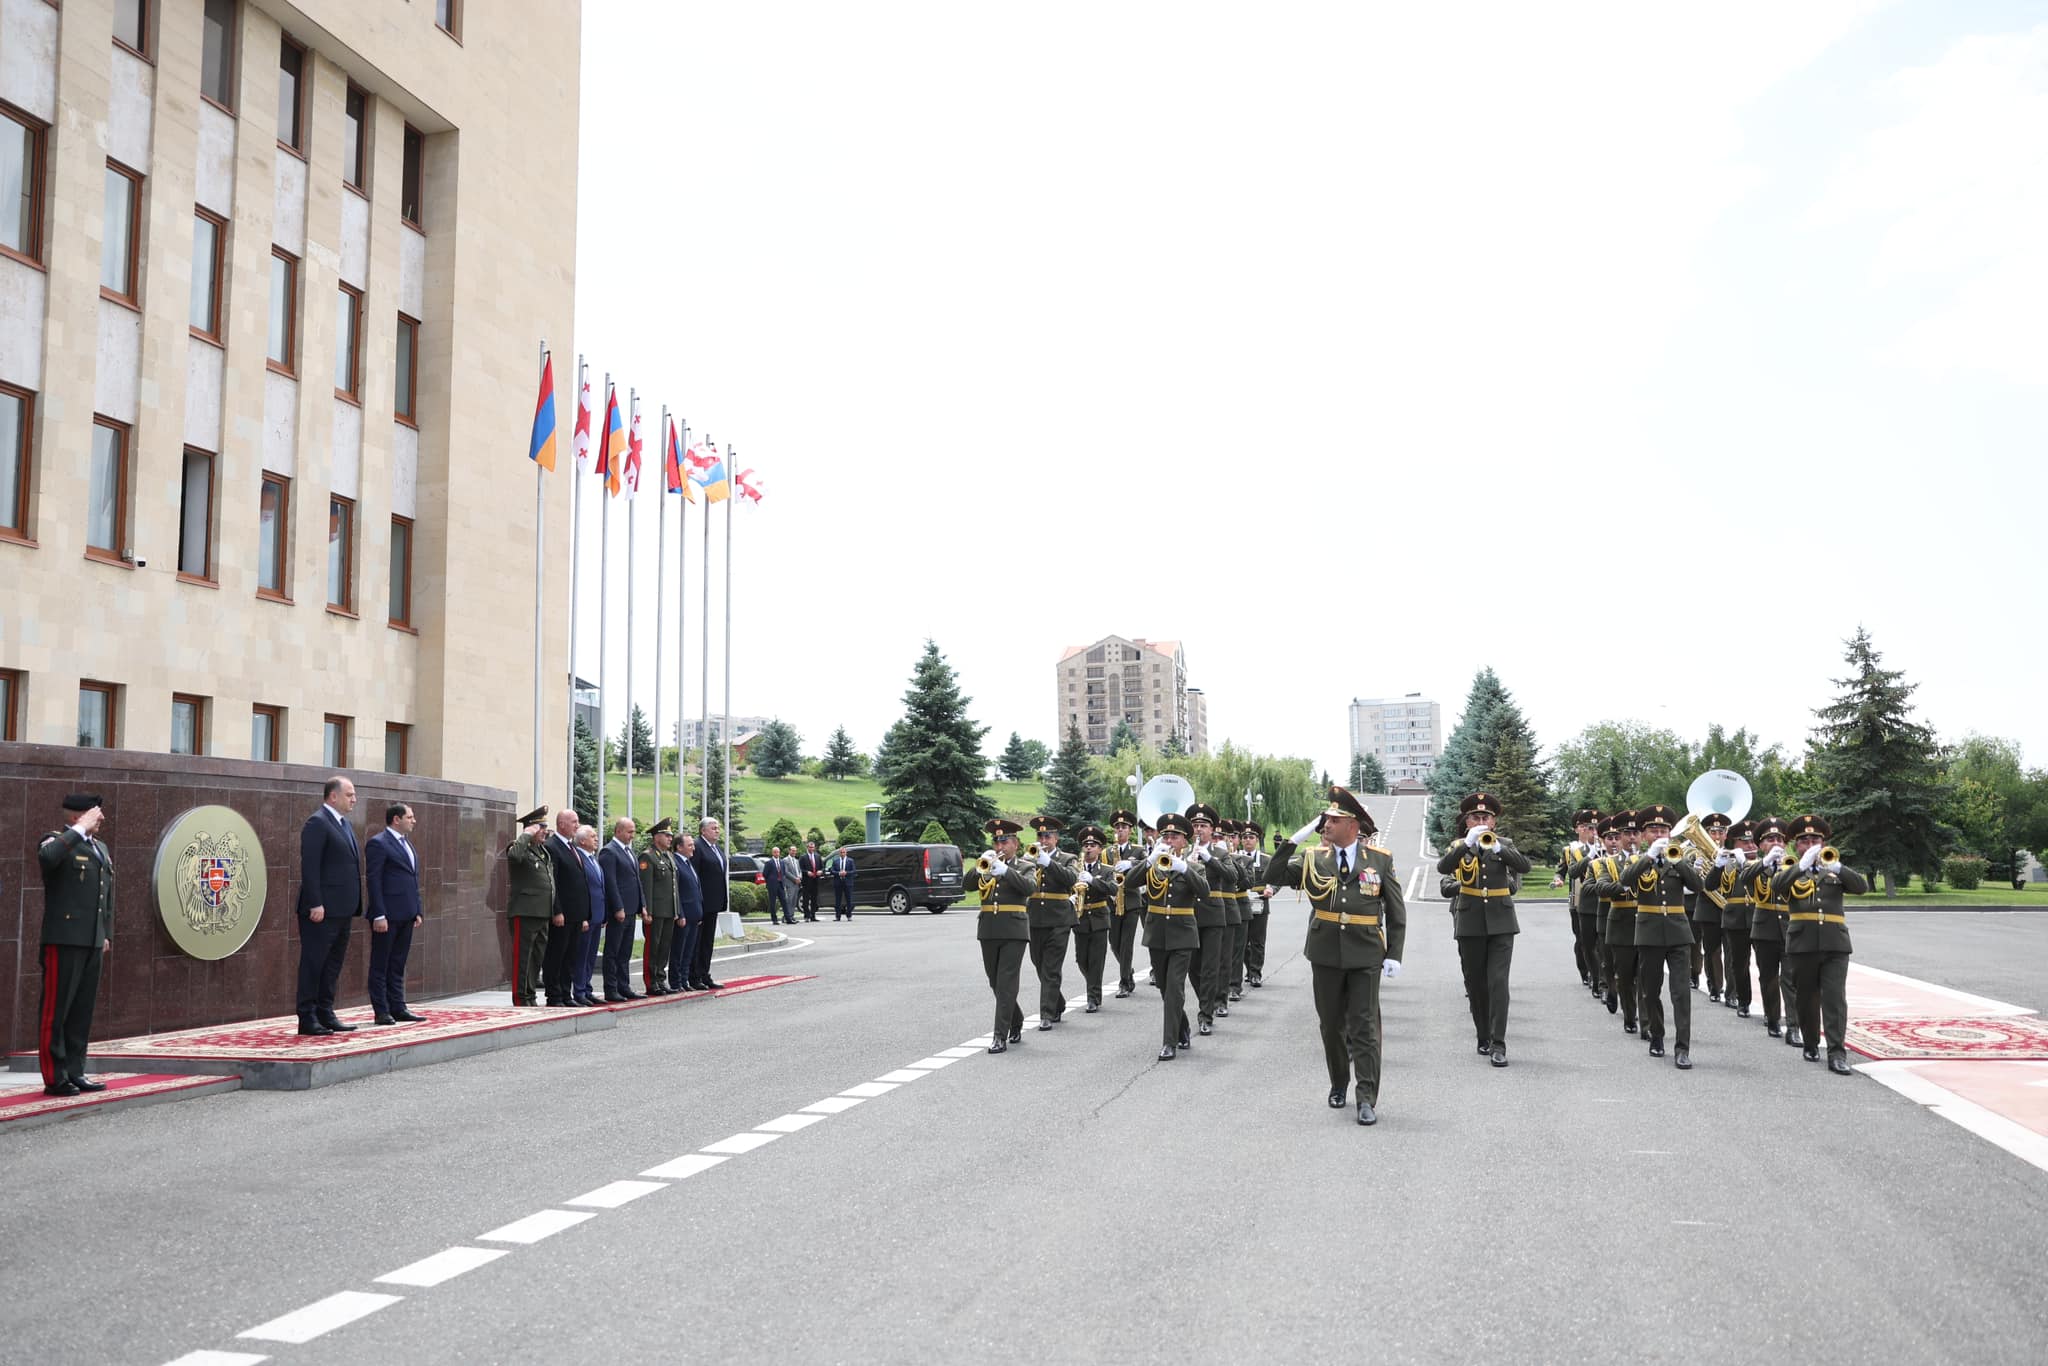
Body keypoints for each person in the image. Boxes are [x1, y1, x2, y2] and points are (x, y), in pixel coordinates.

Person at [1265, 786, 1407, 1126]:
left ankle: (1366, 1097)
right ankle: (1339, 1082)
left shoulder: (1380, 860)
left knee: (1364, 1026)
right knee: (1331, 1025)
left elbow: (1396, 910)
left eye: (1333, 819)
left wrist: (1394, 953)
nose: (1325, 824)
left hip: (1366, 953)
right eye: (1325, 819)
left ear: (1353, 826)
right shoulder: (1314, 858)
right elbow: (1271, 876)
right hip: (1326, 953)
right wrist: (1292, 842)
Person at [1437, 792, 1530, 1067]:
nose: (1481, 821)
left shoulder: (1505, 844)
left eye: (1485, 817)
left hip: (1501, 922)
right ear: (1467, 822)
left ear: (1494, 822)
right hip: (1470, 921)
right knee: (1476, 984)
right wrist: (1466, 845)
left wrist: (1500, 849)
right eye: (1475, 817)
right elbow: (1443, 869)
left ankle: (1499, 1043)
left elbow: (1524, 866)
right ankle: (1483, 1035)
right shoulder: (1458, 846)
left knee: (1498, 983)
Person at [1774, 814, 1868, 1074]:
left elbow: (1861, 887)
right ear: (1796, 845)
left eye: (1815, 839)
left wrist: (1838, 868)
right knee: (1806, 997)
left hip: (1835, 943)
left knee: (1835, 998)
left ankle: (1837, 1053)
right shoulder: (1790, 870)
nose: (1811, 844)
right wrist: (1800, 867)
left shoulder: (1834, 867)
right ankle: (1811, 1042)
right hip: (1802, 942)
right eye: (1804, 841)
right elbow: (1776, 888)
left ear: (1824, 842)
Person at [36, 795, 115, 1096]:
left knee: (81, 1011)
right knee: (56, 1011)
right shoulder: (55, 840)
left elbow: (105, 896)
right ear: (77, 818)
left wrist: (105, 933)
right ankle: (54, 1077)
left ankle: (75, 1071)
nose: (101, 819)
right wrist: (79, 829)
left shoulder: (100, 849)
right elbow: (48, 858)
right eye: (95, 814)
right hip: (64, 939)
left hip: (92, 940)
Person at [1622, 803, 1703, 1069]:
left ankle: (1683, 1048)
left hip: (1679, 932)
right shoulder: (1637, 861)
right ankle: (1657, 1034)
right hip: (1649, 932)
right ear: (1645, 836)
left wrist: (1677, 861)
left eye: (1664, 830)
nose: (1659, 834)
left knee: (1681, 993)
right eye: (1653, 830)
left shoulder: (1680, 858)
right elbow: (1625, 880)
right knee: (1650, 990)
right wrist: (1648, 858)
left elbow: (1697, 885)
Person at [296, 776, 364, 1036]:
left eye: (354, 794)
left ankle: (325, 1012)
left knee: (332, 964)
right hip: (321, 911)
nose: (354, 799)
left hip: (342, 910)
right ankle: (307, 1017)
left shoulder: (343, 824)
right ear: (332, 796)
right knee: (314, 963)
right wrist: (315, 902)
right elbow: (310, 866)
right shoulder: (318, 822)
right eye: (349, 794)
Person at [1139, 812, 1208, 1061]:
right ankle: (1183, 1027)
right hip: (1157, 932)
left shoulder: (1195, 866)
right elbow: (1127, 884)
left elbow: (1204, 891)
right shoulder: (1154, 865)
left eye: (1175, 836)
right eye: (1165, 835)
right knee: (1164, 987)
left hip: (1182, 934)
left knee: (1175, 988)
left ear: (1185, 842)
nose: (1169, 839)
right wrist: (1149, 861)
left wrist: (1185, 868)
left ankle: (1169, 1043)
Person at [975, 818, 1037, 1053]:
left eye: (1005, 841)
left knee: (1006, 983)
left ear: (1016, 844)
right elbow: (968, 883)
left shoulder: (1024, 865)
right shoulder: (989, 864)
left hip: (1014, 930)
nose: (1000, 846)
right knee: (995, 982)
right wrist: (982, 863)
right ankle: (1016, 1018)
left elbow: (1030, 887)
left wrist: (1007, 872)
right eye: (996, 841)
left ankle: (999, 1036)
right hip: (989, 929)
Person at [365, 802, 426, 1024]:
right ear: (396, 819)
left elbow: (412, 879)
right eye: (410, 817)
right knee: (381, 964)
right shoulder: (378, 843)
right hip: (387, 916)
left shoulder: (407, 844)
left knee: (398, 964)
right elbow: (374, 880)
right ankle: (381, 1010)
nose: (414, 820)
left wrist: (417, 910)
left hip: (407, 914)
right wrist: (379, 914)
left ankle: (398, 1007)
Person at [1741, 817, 1797, 1043]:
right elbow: (1744, 879)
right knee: (1769, 978)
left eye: (1780, 839)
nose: (1776, 843)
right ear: (1760, 845)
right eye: (1770, 839)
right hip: (1764, 927)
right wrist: (1765, 864)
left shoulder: (1793, 865)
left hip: (1790, 927)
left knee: (1791, 978)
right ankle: (1773, 1018)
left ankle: (1794, 1026)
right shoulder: (1753, 866)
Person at [1023, 815, 1081, 1030]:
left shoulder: (1068, 858)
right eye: (1040, 835)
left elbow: (1071, 879)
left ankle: (1046, 1014)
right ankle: (1058, 1001)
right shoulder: (1029, 859)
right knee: (1038, 964)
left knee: (1051, 967)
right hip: (1035, 918)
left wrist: (1049, 863)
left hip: (1059, 919)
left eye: (1048, 836)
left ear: (1056, 838)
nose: (1043, 840)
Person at [1185, 803, 1236, 1036]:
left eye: (1203, 825)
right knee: (1193, 968)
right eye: (1195, 825)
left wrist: (1208, 858)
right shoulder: (1183, 853)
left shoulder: (1221, 853)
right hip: (1189, 916)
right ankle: (1207, 999)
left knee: (1209, 967)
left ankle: (1206, 1014)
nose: (1198, 829)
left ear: (1212, 829)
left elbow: (1232, 876)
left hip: (1214, 914)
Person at [1591, 811, 1643, 1034]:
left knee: (1646, 976)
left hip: (1648, 922)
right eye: (1627, 833)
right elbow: (1601, 888)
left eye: (1636, 833)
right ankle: (1630, 1015)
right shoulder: (1607, 863)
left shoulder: (1654, 857)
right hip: (1621, 923)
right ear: (1619, 836)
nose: (1632, 837)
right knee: (1625, 975)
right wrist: (1623, 884)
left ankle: (1648, 1020)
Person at [505, 806, 555, 1007]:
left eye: (545, 827)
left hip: (542, 912)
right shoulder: (518, 847)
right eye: (540, 827)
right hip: (525, 911)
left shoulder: (542, 851)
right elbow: (514, 857)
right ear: (530, 829)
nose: (544, 831)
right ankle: (520, 997)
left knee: (536, 957)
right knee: (522, 956)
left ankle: (530, 994)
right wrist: (526, 835)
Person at [543, 809, 592, 1007]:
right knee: (556, 955)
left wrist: (584, 915)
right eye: (574, 821)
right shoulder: (552, 846)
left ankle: (565, 993)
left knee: (570, 957)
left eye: (577, 821)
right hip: (562, 914)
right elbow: (552, 882)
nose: (577, 825)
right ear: (561, 824)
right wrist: (557, 910)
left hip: (576, 914)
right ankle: (554, 995)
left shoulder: (571, 848)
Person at [1553, 807, 1604, 993]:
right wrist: (1558, 878)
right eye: (1584, 826)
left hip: (1603, 899)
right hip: (1579, 899)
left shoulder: (1606, 848)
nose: (1589, 830)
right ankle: (1587, 972)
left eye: (1593, 827)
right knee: (1583, 939)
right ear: (1577, 829)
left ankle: (1599, 976)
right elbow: (1564, 870)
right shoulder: (1571, 850)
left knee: (1602, 942)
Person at [1713, 819, 1757, 1017]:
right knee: (1739, 963)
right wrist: (1717, 866)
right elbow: (1710, 884)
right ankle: (1743, 1000)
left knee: (1767, 966)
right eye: (1745, 843)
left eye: (1753, 842)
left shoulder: (1768, 862)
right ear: (1736, 844)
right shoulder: (1728, 863)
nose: (1750, 846)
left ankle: (1771, 1009)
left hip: (1760, 916)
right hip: (1736, 918)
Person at [1689, 812, 1732, 1002]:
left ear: (1725, 834)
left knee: (1732, 952)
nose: (1716, 835)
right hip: (1708, 907)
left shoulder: (1733, 854)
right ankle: (1715, 986)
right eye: (1712, 831)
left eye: (1720, 832)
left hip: (1730, 908)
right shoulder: (1695, 855)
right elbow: (1692, 882)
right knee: (1712, 949)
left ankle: (1733, 992)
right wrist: (1695, 870)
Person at [598, 817, 642, 1002]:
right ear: (618, 831)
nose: (632, 835)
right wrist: (618, 907)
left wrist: (642, 905)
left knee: (625, 951)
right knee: (613, 951)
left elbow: (636, 881)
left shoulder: (628, 851)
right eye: (629, 831)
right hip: (620, 910)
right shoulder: (609, 852)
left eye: (633, 831)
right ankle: (611, 988)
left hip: (631, 909)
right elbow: (611, 883)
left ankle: (624, 986)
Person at [1070, 824, 1114, 1011]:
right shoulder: (1076, 869)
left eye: (1093, 845)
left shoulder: (1106, 870)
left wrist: (1093, 881)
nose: (1089, 848)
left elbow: (1113, 889)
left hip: (1098, 918)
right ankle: (1093, 986)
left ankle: (1093, 997)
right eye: (1086, 845)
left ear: (1100, 849)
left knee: (1096, 960)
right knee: (1081, 959)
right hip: (1080, 918)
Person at [638, 818, 681, 994]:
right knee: (653, 947)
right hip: (655, 911)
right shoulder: (647, 856)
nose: (670, 838)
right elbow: (646, 886)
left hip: (668, 911)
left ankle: (661, 979)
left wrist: (676, 909)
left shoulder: (669, 856)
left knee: (664, 947)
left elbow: (673, 886)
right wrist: (646, 910)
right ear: (657, 837)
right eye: (666, 835)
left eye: (671, 835)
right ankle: (651, 982)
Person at [1106, 810, 1145, 997]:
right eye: (1117, 827)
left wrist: (1132, 864)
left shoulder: (1137, 850)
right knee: (1114, 942)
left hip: (1131, 901)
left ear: (1130, 830)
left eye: (1124, 827)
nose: (1120, 830)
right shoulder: (1107, 852)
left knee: (1126, 943)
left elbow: (1148, 864)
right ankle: (1127, 971)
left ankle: (1123, 982)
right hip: (1113, 901)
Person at [688, 818, 728, 990]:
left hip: (714, 904)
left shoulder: (716, 848)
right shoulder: (697, 847)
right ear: (703, 831)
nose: (717, 831)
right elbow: (694, 876)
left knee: (707, 942)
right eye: (713, 828)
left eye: (718, 828)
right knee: (697, 942)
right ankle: (694, 976)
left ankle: (705, 974)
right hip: (702, 903)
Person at [572, 826, 606, 1004]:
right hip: (586, 915)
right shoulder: (579, 859)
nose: (596, 839)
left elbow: (600, 887)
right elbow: (580, 890)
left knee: (591, 955)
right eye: (593, 836)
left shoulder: (593, 859)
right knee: (582, 955)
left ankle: (587, 988)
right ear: (582, 841)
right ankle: (579, 991)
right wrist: (583, 916)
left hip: (597, 914)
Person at [1219, 819, 1251, 1004]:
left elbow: (1247, 883)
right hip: (1215, 908)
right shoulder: (1208, 856)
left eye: (1231, 836)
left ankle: (1234, 986)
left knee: (1236, 951)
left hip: (1238, 907)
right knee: (1219, 953)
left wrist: (1229, 858)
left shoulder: (1244, 859)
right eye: (1222, 836)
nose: (1227, 839)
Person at [1239, 821, 1271, 990]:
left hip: (1260, 902)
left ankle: (1255, 973)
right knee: (1242, 940)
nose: (1248, 840)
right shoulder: (1235, 857)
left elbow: (1275, 878)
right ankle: (1248, 968)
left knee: (1257, 940)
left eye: (1251, 837)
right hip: (1241, 901)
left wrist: (1271, 889)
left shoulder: (1266, 860)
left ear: (1257, 840)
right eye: (1245, 837)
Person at [672, 833, 704, 992]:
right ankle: (676, 981)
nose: (693, 848)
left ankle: (684, 980)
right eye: (690, 845)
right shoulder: (675, 862)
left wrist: (699, 913)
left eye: (693, 844)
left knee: (688, 951)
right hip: (684, 916)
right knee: (679, 950)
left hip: (694, 914)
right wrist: (681, 914)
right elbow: (676, 891)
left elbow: (695, 889)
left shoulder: (688, 863)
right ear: (679, 847)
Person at [762, 847, 789, 925]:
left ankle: (788, 918)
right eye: (775, 852)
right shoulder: (769, 863)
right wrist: (770, 881)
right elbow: (765, 874)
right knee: (773, 902)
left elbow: (783, 872)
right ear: (772, 853)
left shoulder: (782, 862)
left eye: (778, 852)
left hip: (780, 884)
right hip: (772, 885)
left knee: (784, 901)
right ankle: (774, 919)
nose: (777, 854)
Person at [829, 846, 856, 920]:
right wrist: (838, 873)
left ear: (846, 853)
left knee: (849, 900)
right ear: (839, 853)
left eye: (844, 852)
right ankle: (838, 916)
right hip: (838, 883)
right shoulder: (835, 861)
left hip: (848, 883)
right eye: (841, 852)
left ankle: (849, 916)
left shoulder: (850, 861)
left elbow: (853, 871)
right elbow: (832, 871)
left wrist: (846, 873)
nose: (842, 853)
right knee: (838, 900)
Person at [799, 841, 823, 922]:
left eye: (813, 847)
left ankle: (813, 915)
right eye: (810, 847)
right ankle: (806, 916)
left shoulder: (818, 856)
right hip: (806, 881)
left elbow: (821, 867)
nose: (811, 849)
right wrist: (806, 872)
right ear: (807, 847)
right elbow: (800, 869)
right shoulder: (803, 857)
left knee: (814, 899)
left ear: (814, 848)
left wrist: (820, 871)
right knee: (806, 899)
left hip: (815, 881)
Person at [781, 847, 804, 924]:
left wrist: (800, 876)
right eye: (793, 850)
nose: (794, 852)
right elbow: (786, 872)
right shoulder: (785, 860)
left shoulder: (797, 861)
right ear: (789, 850)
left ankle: (791, 916)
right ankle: (786, 917)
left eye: (795, 851)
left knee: (794, 901)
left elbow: (799, 870)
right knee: (789, 900)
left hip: (797, 883)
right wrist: (795, 879)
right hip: (790, 883)